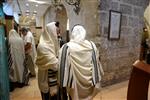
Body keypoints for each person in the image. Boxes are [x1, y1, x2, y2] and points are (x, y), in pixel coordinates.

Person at [58, 25, 104, 100]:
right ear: (84, 33)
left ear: (72, 33)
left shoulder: (66, 47)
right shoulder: (92, 46)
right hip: (89, 85)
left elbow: (62, 69)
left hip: (74, 85)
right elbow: (97, 63)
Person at [36, 22, 59, 100]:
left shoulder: (53, 44)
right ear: (50, 32)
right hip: (46, 81)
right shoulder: (42, 46)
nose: (57, 35)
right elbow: (55, 66)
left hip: (54, 81)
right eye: (56, 32)